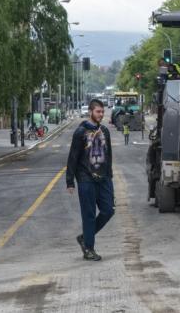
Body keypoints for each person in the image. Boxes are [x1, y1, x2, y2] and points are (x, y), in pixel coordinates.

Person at [66, 99, 114, 261]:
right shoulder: (80, 132)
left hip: (104, 178)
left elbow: (109, 154)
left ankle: (85, 237)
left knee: (108, 210)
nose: (101, 114)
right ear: (91, 112)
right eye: (98, 111)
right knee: (89, 215)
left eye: (102, 111)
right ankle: (89, 249)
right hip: (86, 179)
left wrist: (110, 174)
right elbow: (73, 157)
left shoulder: (105, 131)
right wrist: (70, 181)